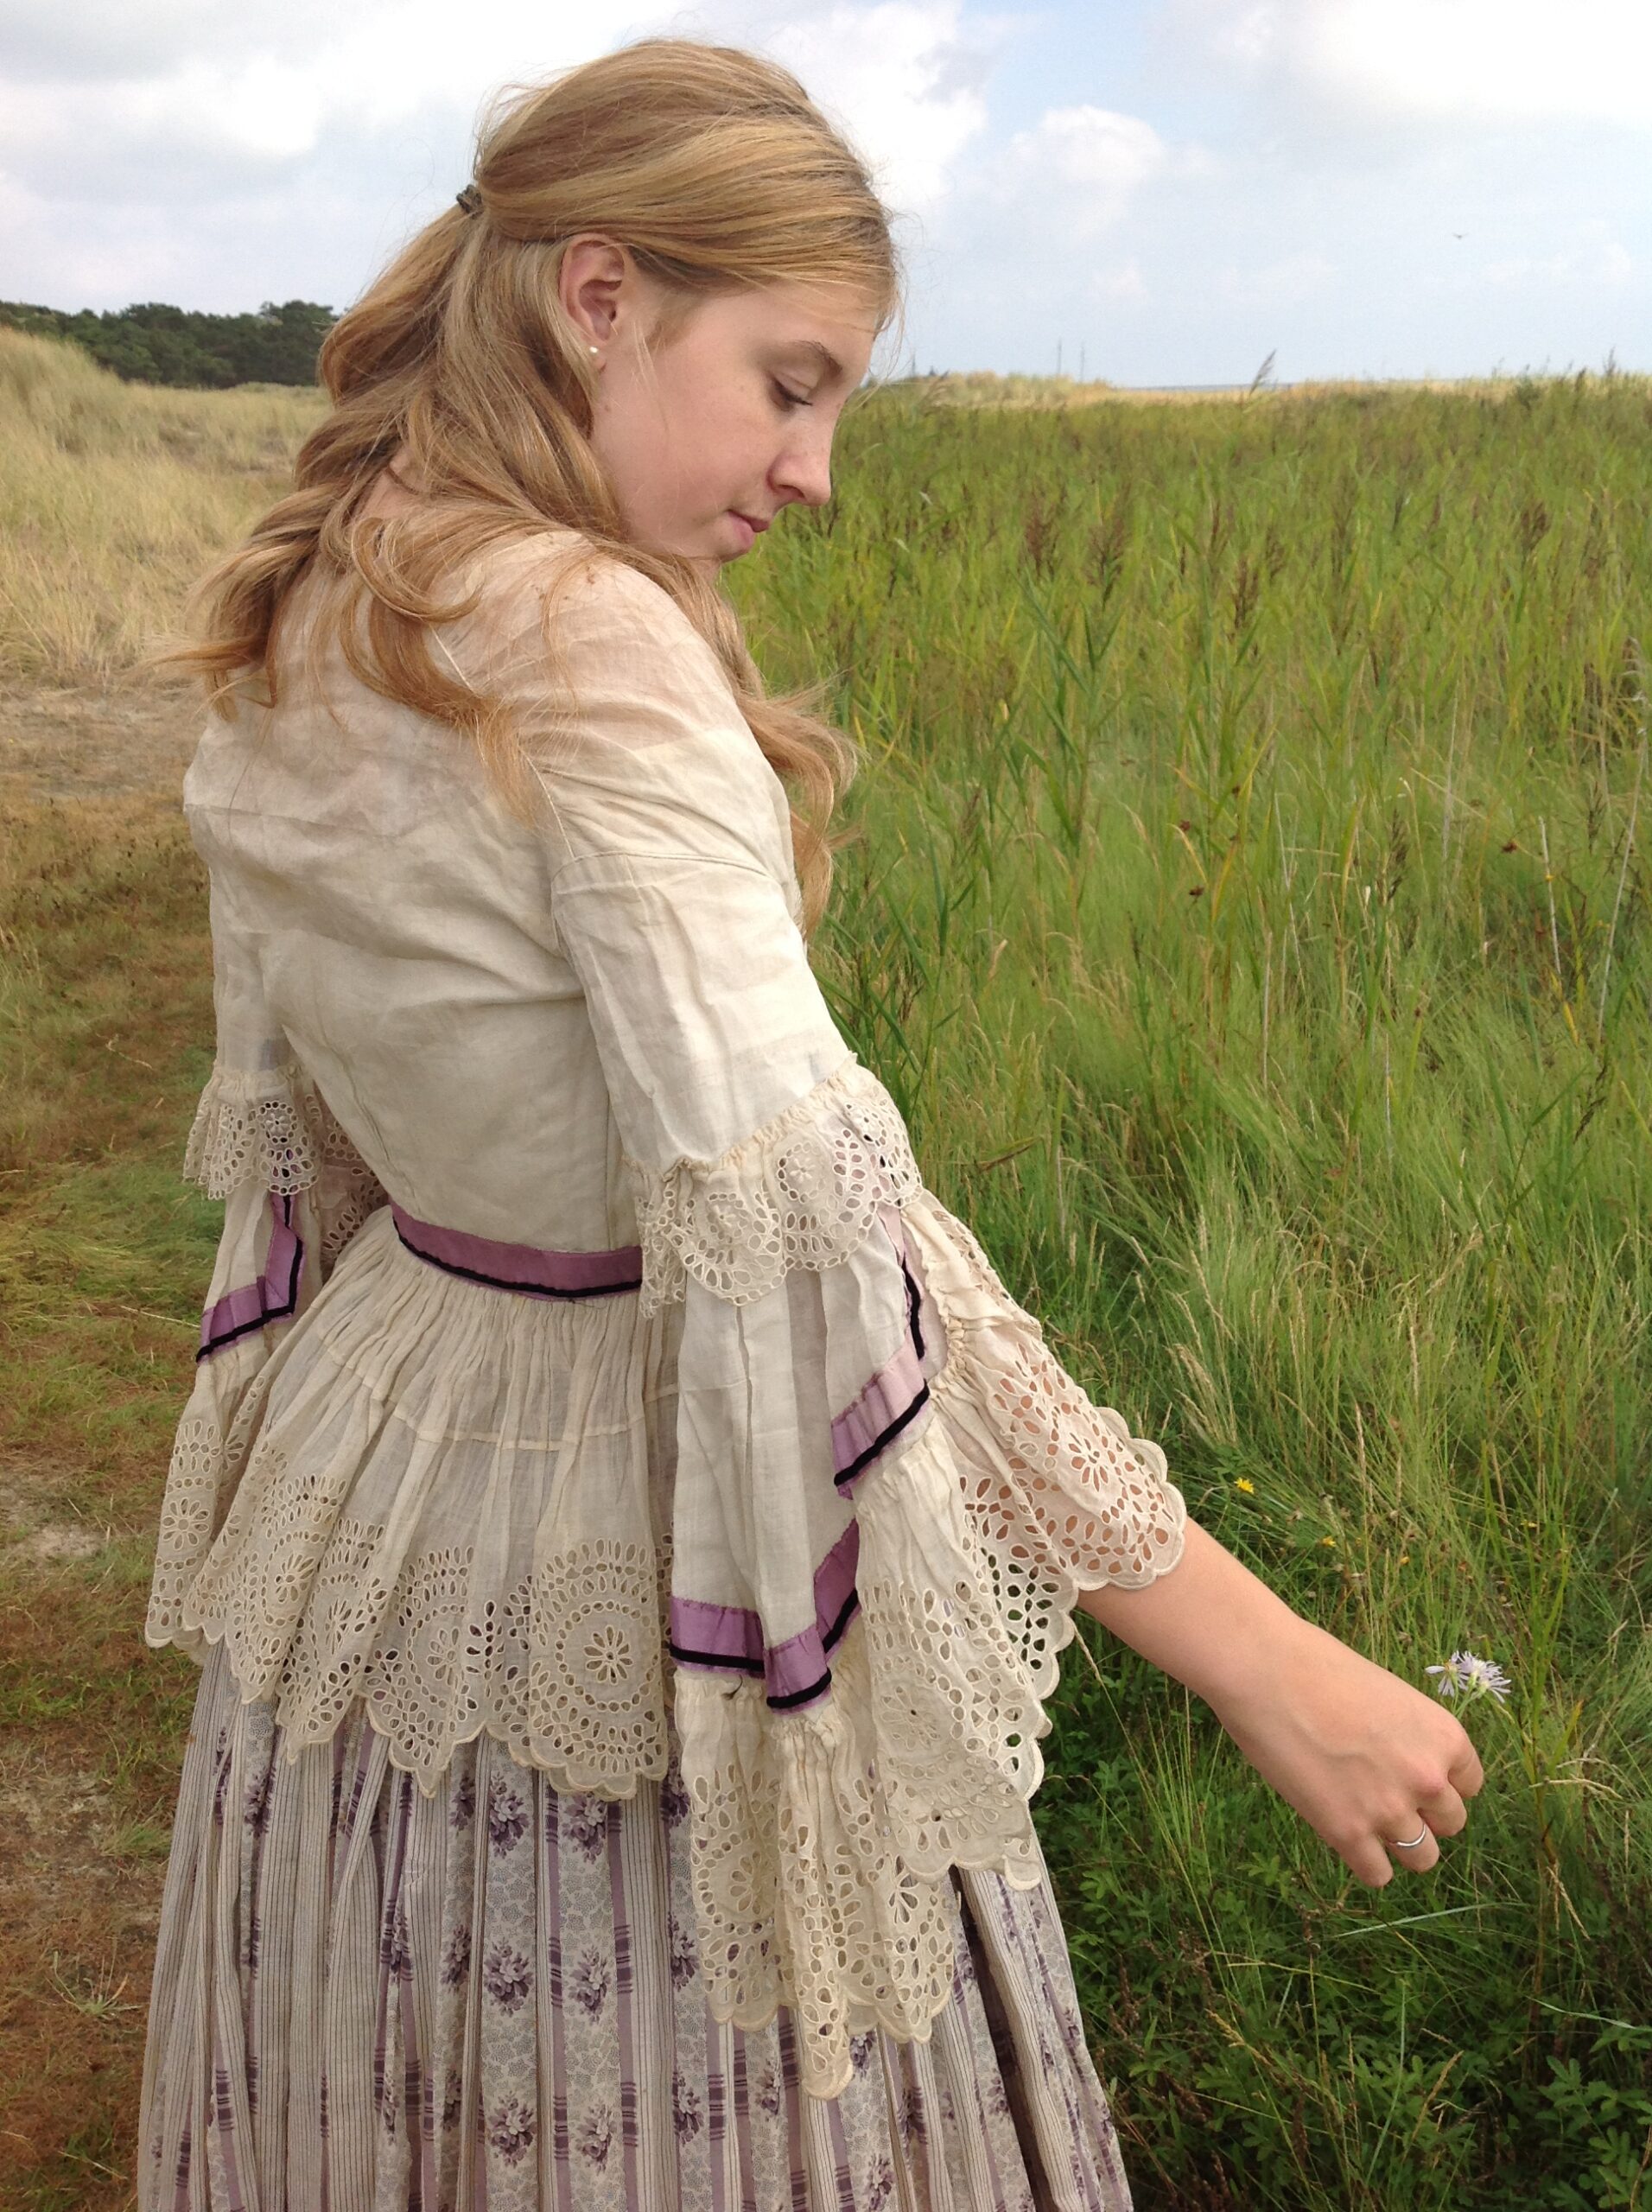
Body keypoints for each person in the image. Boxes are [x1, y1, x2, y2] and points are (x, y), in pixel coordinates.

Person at [135, 36, 1484, 2211]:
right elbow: (836, 1239)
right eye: (789, 378)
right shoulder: (582, 637)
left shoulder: (328, 587)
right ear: (599, 297)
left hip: (379, 1489)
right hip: (614, 1511)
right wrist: (1270, 1661)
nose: (818, 466)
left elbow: (330, 1154)